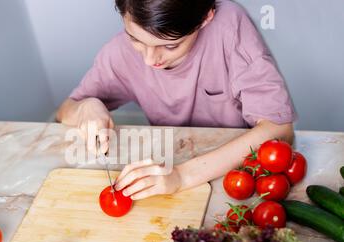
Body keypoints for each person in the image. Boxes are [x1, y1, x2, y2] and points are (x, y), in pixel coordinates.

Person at [56, 0, 297, 200]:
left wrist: (182, 177)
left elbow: (279, 129)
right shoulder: (119, 53)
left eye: (170, 45)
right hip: (168, 170)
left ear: (206, 17)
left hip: (235, 177)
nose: (150, 60)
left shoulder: (229, 25)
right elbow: (65, 111)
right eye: (136, 39)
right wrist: (86, 107)